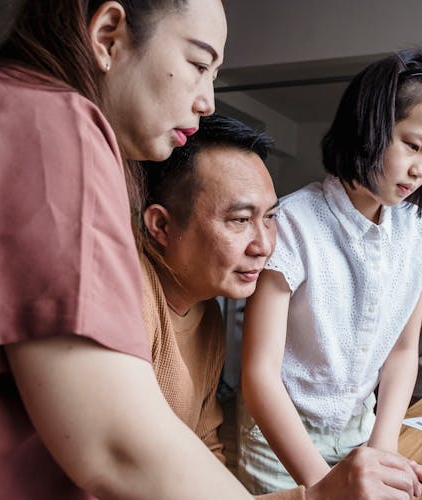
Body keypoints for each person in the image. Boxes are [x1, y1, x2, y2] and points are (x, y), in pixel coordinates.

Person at [0, 1, 422, 499]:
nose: (207, 102)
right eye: (199, 65)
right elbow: (118, 447)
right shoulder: (52, 118)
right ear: (108, 34)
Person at [239, 49, 422, 494]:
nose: (421, 169)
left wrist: (381, 451)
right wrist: (323, 486)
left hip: (363, 432)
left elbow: (402, 352)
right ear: (370, 127)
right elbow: (259, 374)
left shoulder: (417, 232)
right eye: (412, 145)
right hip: (280, 441)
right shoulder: (295, 221)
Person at [138, 114, 277, 465]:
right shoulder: (131, 296)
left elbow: (205, 443)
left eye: (270, 217)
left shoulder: (208, 313)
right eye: (241, 220)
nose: (263, 245)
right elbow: (130, 466)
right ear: (162, 225)